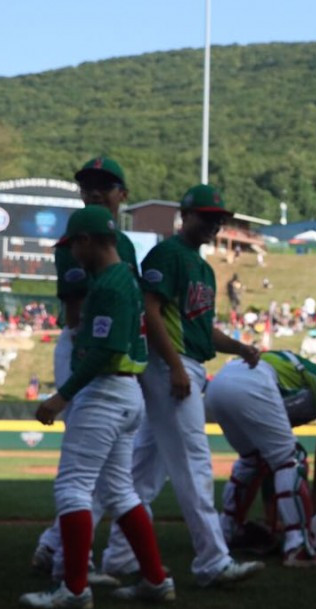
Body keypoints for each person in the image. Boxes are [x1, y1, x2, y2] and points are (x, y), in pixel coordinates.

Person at [101, 184, 264, 586]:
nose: (213, 224)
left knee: (145, 473)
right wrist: (173, 366)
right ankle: (212, 561)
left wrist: (241, 347)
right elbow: (150, 312)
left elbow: (202, 330)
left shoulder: (203, 267)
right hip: (170, 368)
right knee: (194, 464)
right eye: (206, 216)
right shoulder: (168, 254)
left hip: (186, 363)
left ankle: (120, 556)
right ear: (185, 216)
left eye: (218, 218)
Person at [20, 206, 172, 609]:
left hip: (104, 393)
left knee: (72, 488)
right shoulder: (125, 280)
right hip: (127, 395)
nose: (70, 254)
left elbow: (104, 351)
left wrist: (61, 396)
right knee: (119, 490)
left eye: (73, 246)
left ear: (87, 242)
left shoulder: (108, 285)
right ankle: (156, 580)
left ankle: (73, 590)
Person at [31, 157, 139, 586]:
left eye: (104, 184)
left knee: (102, 470)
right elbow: (76, 314)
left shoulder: (124, 245)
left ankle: (55, 548)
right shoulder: (75, 240)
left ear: (121, 194)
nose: (94, 191)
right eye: (87, 185)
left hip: (114, 354)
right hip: (84, 347)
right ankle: (62, 556)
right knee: (84, 465)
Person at [210, 350, 316, 566]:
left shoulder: (296, 375)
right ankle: (297, 546)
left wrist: (271, 515)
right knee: (292, 459)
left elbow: (270, 461)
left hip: (219, 384)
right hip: (253, 383)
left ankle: (227, 531)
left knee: (253, 459)